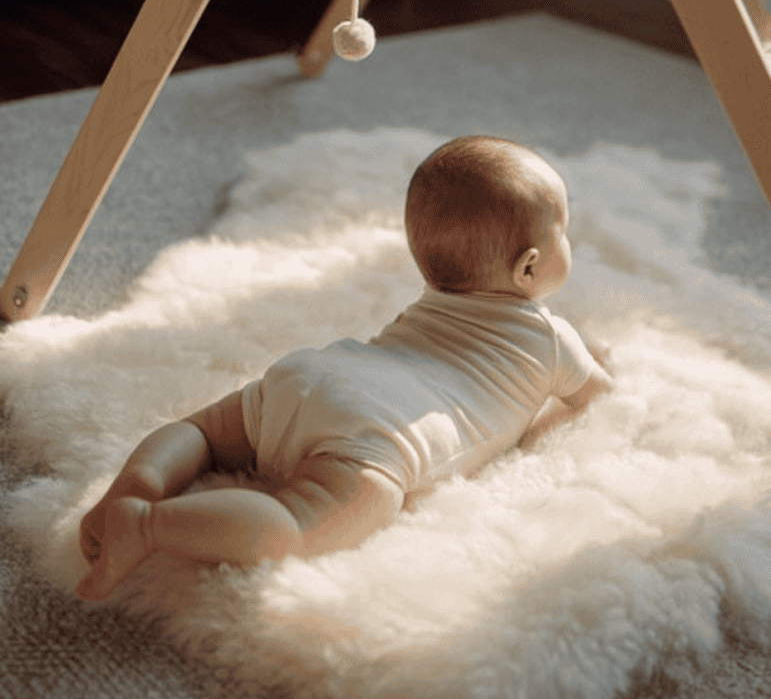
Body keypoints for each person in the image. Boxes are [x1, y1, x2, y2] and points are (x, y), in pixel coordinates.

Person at [76, 135, 613, 601]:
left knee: (202, 431)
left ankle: (136, 487)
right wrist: (597, 362)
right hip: (373, 438)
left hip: (315, 376)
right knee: (297, 526)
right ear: (529, 268)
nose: (570, 242)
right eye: (562, 232)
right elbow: (598, 397)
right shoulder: (551, 338)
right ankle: (147, 527)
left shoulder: (430, 302)